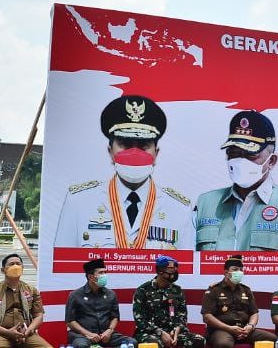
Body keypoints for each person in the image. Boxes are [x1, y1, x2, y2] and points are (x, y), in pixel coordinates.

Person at [54, 95, 193, 249]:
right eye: (125, 144)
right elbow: (61, 262)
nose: (134, 153)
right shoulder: (79, 202)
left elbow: (186, 263)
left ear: (156, 154)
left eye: (144, 146)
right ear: (110, 152)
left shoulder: (179, 209)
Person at [194, 110, 278, 251]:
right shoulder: (205, 204)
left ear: (271, 161)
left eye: (250, 154)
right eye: (234, 153)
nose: (240, 161)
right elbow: (186, 261)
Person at [132, 255, 203, 348]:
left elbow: (182, 315)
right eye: (170, 271)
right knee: (156, 343)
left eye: (175, 270)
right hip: (149, 333)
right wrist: (160, 333)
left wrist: (176, 331)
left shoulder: (177, 290)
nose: (174, 273)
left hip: (173, 332)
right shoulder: (143, 290)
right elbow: (140, 320)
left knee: (198, 341)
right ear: (160, 271)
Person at [65, 259, 137, 348]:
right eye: (101, 273)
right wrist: (88, 334)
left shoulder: (111, 294)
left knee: (131, 343)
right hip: (83, 335)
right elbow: (70, 321)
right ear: (91, 277)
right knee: (81, 346)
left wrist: (109, 331)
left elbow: (115, 317)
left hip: (106, 334)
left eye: (105, 272)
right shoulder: (75, 295)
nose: (105, 275)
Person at [201, 256, 276, 348]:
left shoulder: (246, 290)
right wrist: (230, 328)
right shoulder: (214, 290)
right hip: (221, 330)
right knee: (224, 344)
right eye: (235, 269)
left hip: (244, 329)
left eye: (241, 270)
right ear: (226, 272)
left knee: (272, 339)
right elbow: (207, 316)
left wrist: (250, 326)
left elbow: (254, 313)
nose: (239, 272)